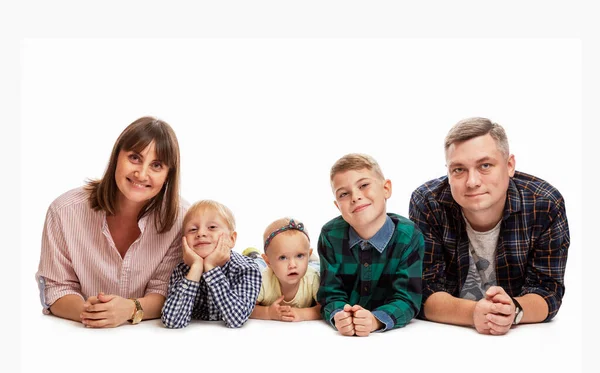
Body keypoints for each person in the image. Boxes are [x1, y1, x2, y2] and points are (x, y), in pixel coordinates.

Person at [409, 117, 570, 335]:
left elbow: (548, 291)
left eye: (485, 166)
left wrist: (514, 311)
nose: (472, 181)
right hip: (448, 337)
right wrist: (474, 313)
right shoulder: (428, 202)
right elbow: (424, 290)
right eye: (458, 169)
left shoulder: (545, 203)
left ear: (509, 165)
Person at [35, 116, 186, 328]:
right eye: (134, 158)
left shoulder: (182, 220)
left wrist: (131, 309)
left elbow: (166, 291)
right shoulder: (63, 211)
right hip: (77, 337)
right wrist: (92, 313)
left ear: (168, 174)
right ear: (116, 157)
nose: (142, 174)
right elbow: (56, 288)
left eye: (156, 165)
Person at [317, 153, 424, 336]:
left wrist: (375, 320)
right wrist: (339, 315)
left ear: (386, 189)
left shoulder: (409, 236)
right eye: (344, 194)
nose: (355, 197)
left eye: (364, 185)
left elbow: (407, 298)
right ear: (337, 206)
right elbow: (330, 294)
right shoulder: (330, 235)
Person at [161, 200, 261, 328]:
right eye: (193, 229)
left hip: (259, 268)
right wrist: (196, 267)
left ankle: (254, 253)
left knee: (262, 265)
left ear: (231, 239)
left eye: (212, 227)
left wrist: (211, 268)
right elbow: (172, 321)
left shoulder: (246, 268)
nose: (201, 233)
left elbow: (237, 319)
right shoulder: (182, 270)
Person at [243, 217, 321, 322]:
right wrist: (268, 312)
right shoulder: (262, 280)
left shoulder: (313, 278)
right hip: (263, 267)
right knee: (256, 265)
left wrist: (303, 314)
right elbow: (247, 308)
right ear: (269, 261)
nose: (292, 265)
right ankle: (254, 255)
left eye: (300, 255)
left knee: (316, 266)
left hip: (312, 267)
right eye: (283, 257)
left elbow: (324, 308)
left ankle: (311, 258)